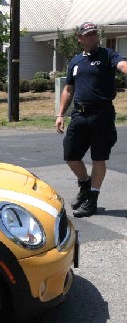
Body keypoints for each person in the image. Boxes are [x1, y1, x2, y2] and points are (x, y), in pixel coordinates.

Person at [56, 22, 127, 217]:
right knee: (70, 155)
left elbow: (122, 65)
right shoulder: (76, 61)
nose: (92, 37)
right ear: (80, 38)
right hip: (79, 114)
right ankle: (85, 184)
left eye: (94, 34)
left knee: (99, 158)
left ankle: (92, 200)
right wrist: (60, 114)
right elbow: (68, 89)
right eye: (88, 35)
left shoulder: (107, 55)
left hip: (102, 115)